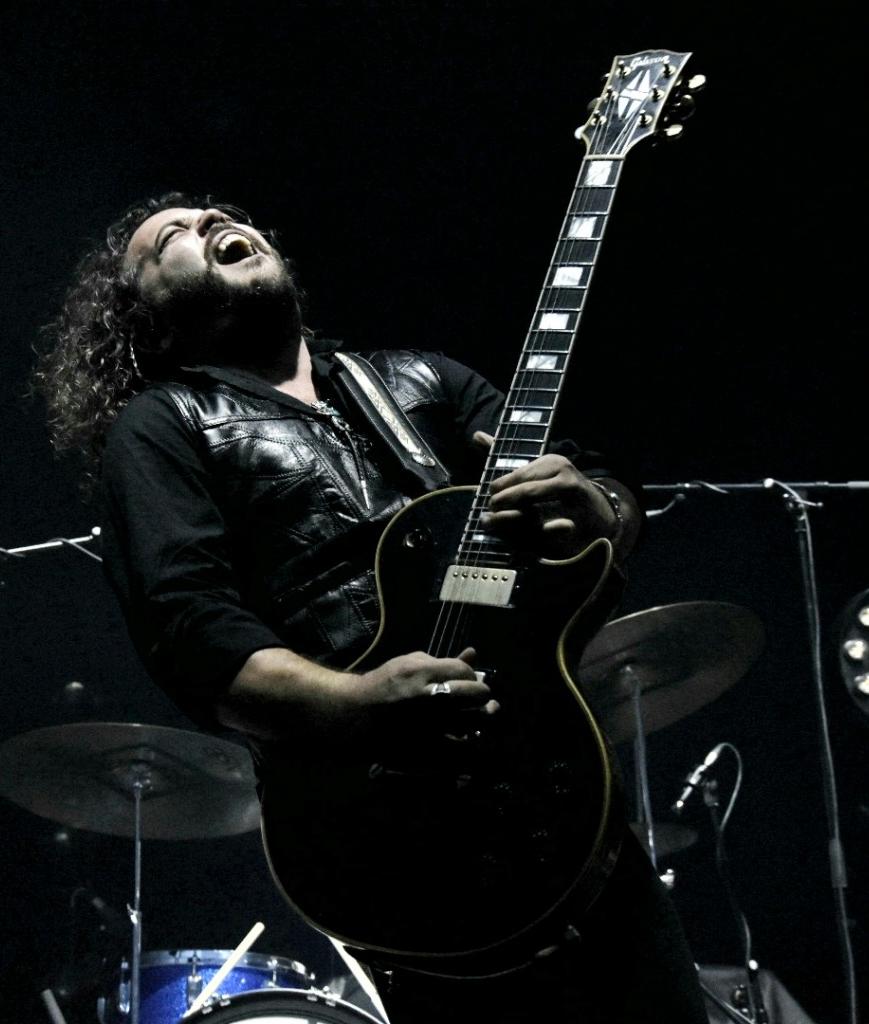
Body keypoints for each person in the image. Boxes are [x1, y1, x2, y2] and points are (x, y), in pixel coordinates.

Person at [34, 192, 706, 1023]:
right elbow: (194, 632)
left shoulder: (423, 379)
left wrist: (602, 507)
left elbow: (591, 484)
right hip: (389, 825)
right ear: (149, 322)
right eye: (174, 234)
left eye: (220, 216)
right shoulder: (164, 425)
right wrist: (358, 704)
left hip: (567, 796)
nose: (209, 225)